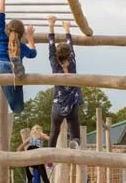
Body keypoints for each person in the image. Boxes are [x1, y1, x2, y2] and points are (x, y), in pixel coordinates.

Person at [47, 16, 82, 167]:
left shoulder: (55, 65)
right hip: (72, 105)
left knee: (54, 132)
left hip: (57, 105)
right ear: (69, 55)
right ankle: (74, 143)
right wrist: (67, 29)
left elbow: (50, 45)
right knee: (75, 132)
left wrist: (51, 25)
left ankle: (49, 159)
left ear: (56, 55)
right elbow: (70, 44)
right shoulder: (72, 62)